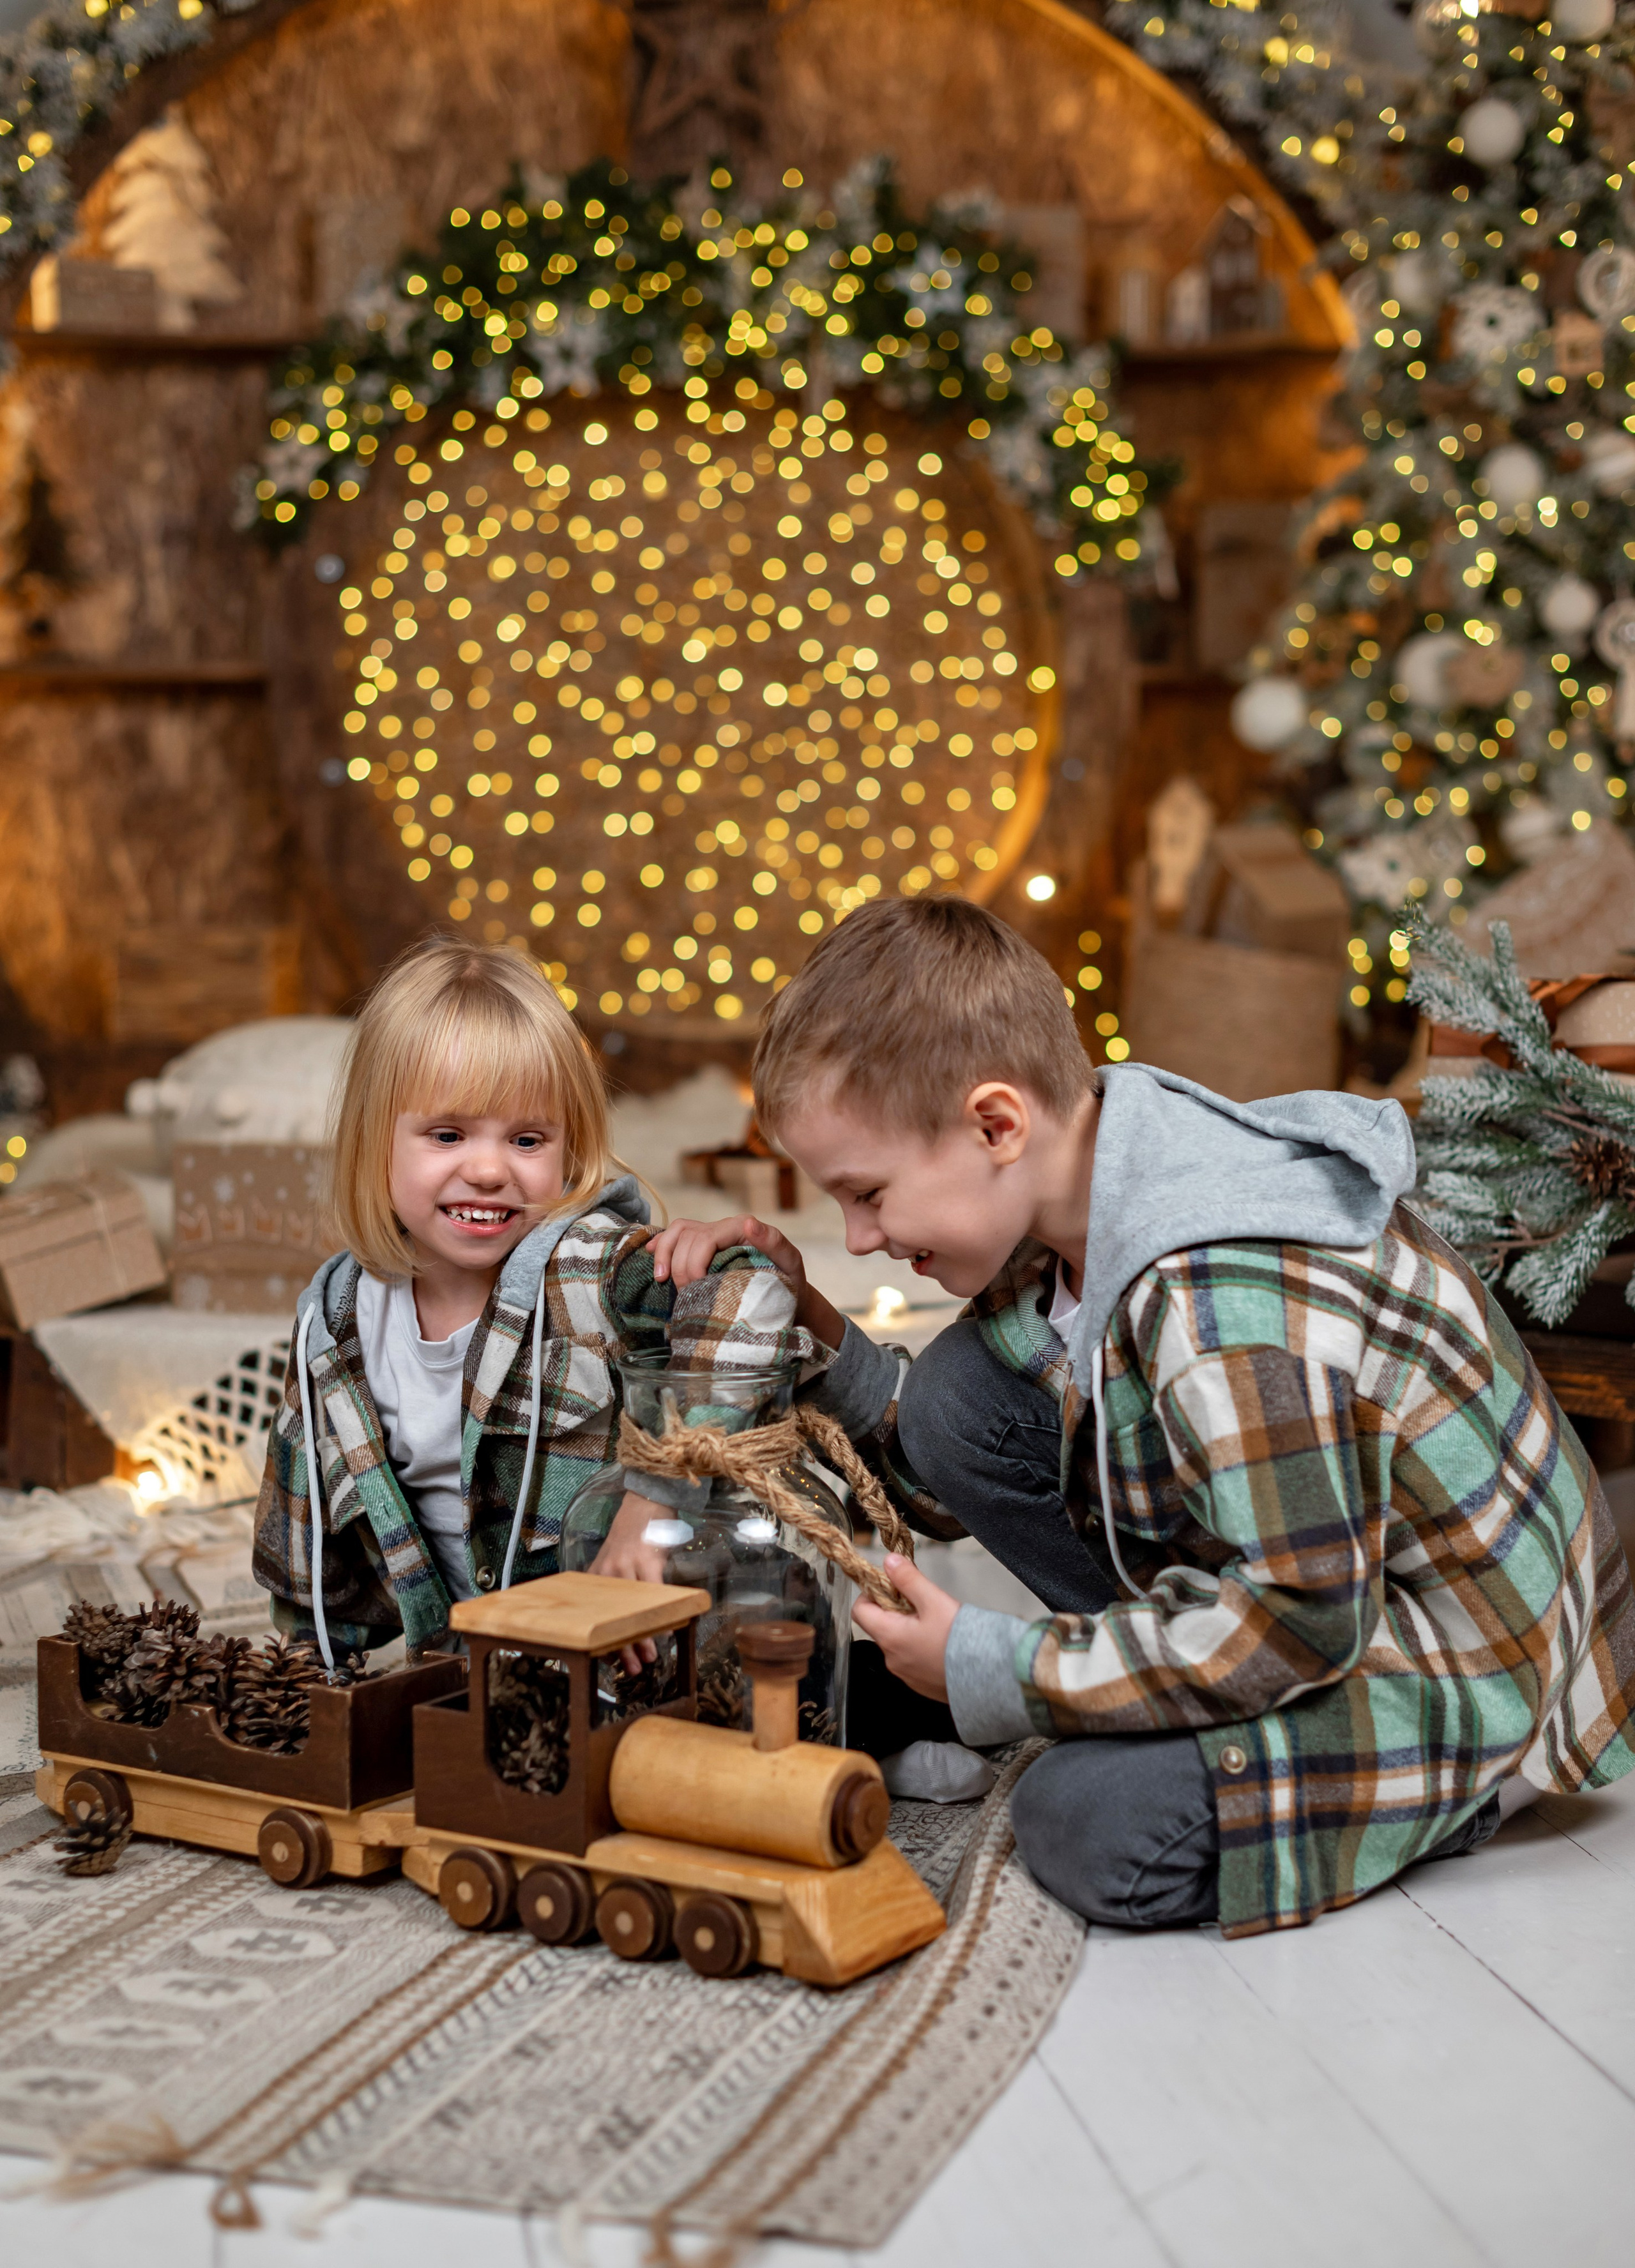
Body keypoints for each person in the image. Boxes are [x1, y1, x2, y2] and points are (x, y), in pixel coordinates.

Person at [650, 896, 1635, 1939]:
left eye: (869, 1194)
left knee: (1083, 1821)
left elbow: (1303, 1622)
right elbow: (941, 1466)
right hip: (1324, 1593)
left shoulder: (1221, 1301)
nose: (857, 1238)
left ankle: (1430, 1785)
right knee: (952, 1399)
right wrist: (811, 1320)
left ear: (995, 1123)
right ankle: (1131, 1692)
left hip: (1460, 1670)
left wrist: (1008, 1670)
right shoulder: (1081, 1187)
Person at [252, 940, 884, 1663]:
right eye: (447, 1134)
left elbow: (752, 1287)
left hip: (657, 1659)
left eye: (526, 1139)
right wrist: (307, 1683)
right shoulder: (335, 1325)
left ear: (568, 1144)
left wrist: (650, 1503)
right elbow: (309, 1562)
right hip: (479, 1679)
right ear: (376, 1141)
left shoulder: (589, 1270)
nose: (488, 1170)